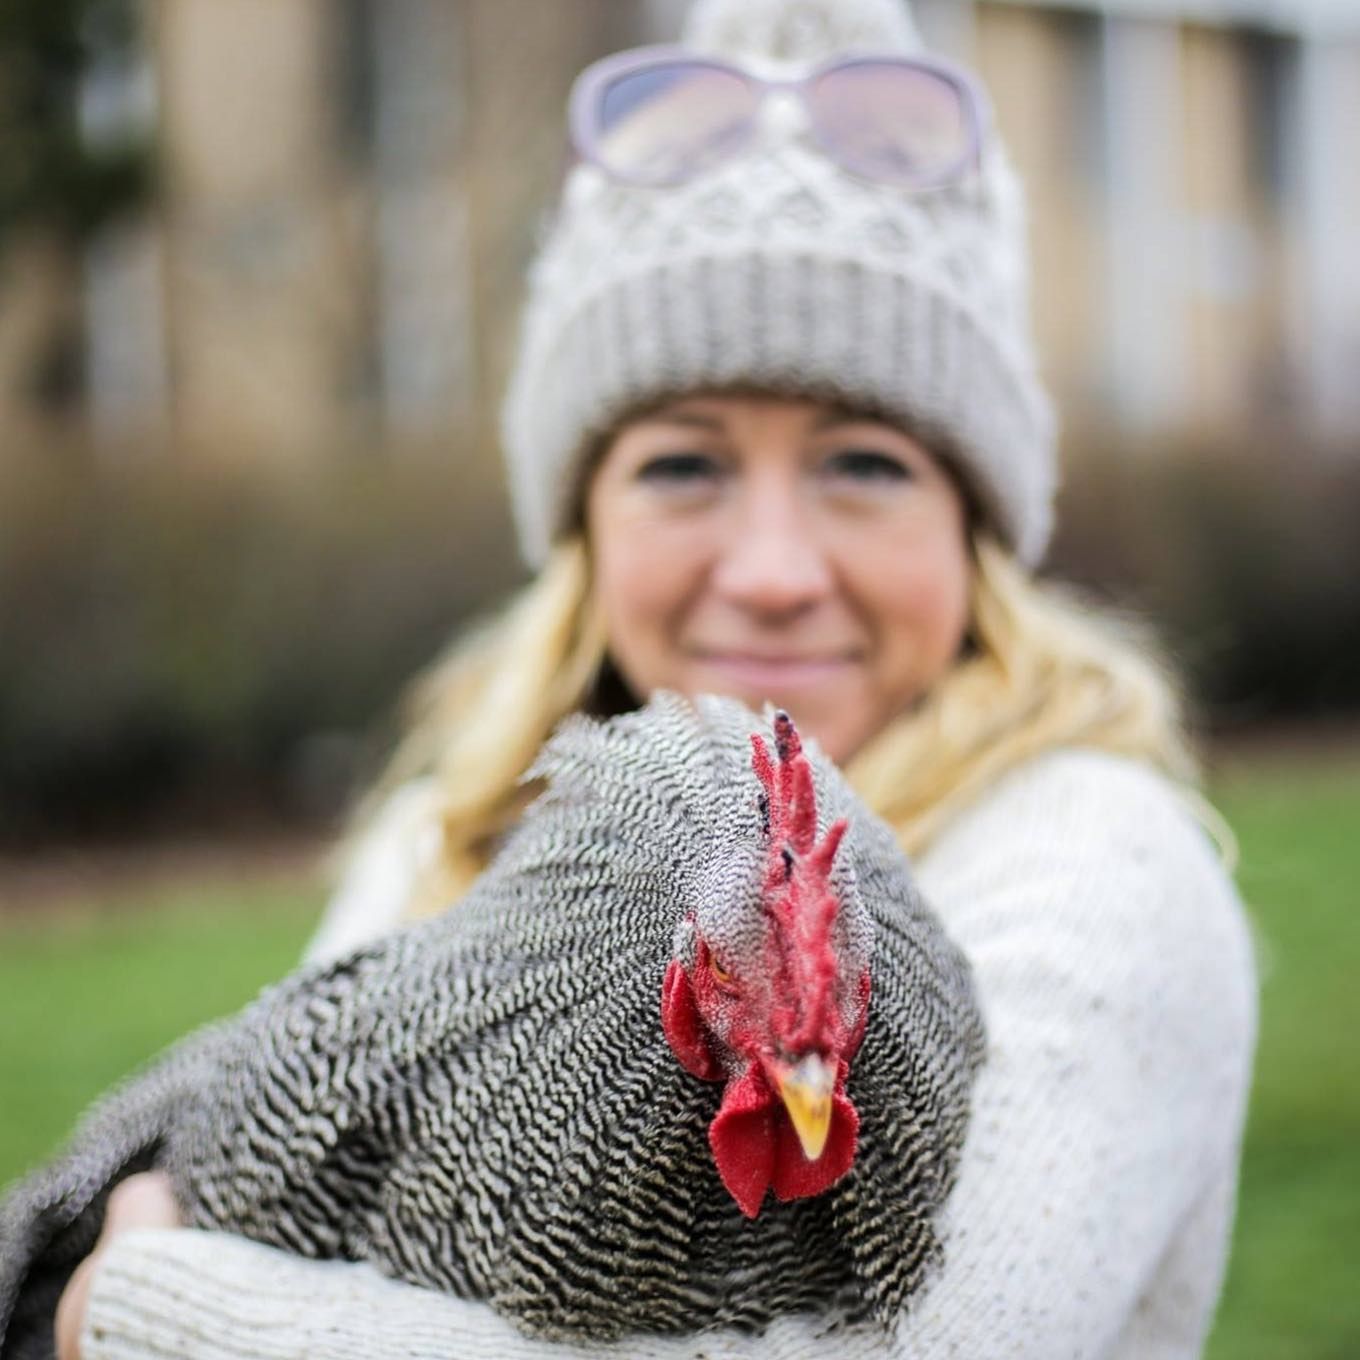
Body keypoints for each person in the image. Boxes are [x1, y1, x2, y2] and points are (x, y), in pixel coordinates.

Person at [52, 1, 1257, 1357]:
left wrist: (156, 1309)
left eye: (865, 464)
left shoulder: (1096, 868)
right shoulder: (449, 831)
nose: (772, 569)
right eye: (684, 464)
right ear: (584, 524)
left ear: (977, 526)